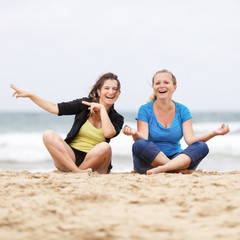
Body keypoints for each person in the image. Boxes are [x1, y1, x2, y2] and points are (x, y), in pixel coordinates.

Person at [11, 72, 124, 174]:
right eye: (107, 88)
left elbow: (109, 134)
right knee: (48, 135)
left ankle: (76, 172)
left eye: (115, 89)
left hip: (96, 162)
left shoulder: (117, 118)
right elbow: (54, 108)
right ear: (99, 91)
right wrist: (32, 96)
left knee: (105, 147)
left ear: (118, 93)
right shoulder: (84, 104)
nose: (111, 92)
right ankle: (76, 171)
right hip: (70, 158)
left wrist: (102, 110)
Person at [123, 69, 230, 175]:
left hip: (178, 159)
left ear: (174, 87)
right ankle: (179, 170)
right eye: (157, 83)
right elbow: (143, 140)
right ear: (153, 87)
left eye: (166, 82)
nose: (161, 85)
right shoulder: (145, 110)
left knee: (202, 146)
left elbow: (190, 140)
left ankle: (164, 169)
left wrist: (214, 133)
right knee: (139, 144)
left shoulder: (183, 110)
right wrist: (135, 133)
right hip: (149, 163)